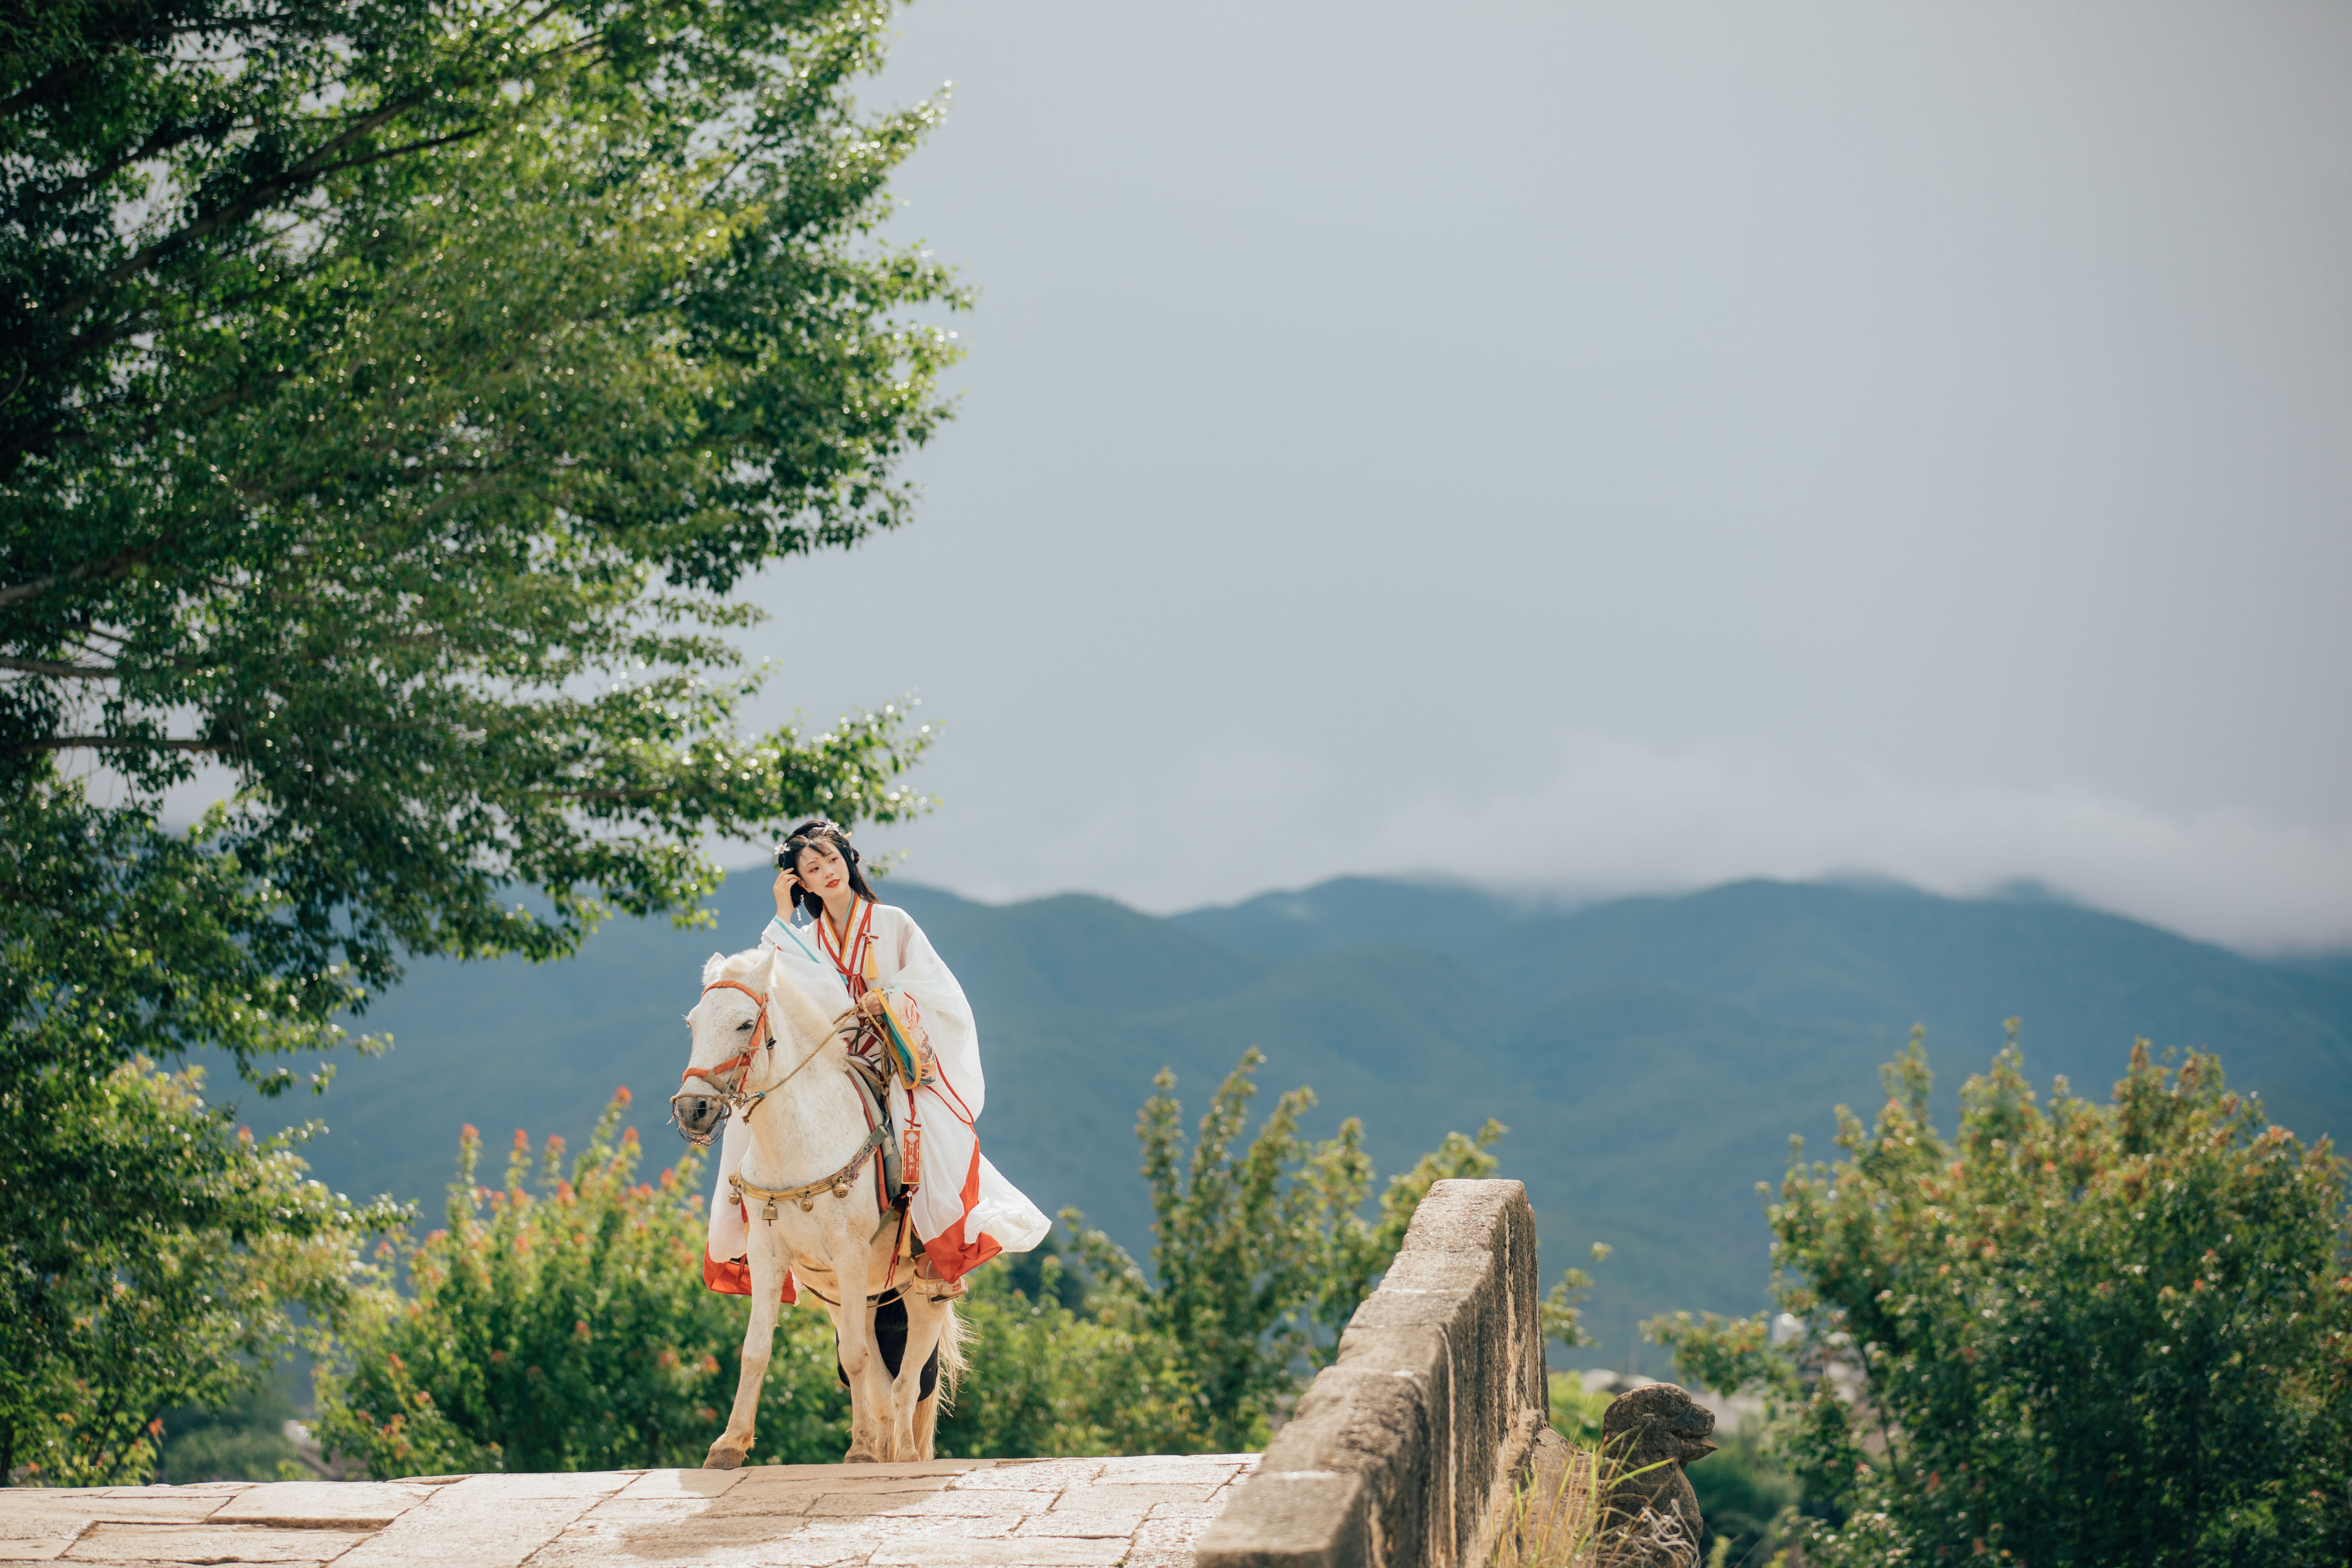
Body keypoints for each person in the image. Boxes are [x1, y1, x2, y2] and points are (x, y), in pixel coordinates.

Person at [703, 820, 1048, 1300]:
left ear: (848, 858)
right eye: (811, 869)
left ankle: (932, 1249)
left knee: (923, 1121)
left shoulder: (894, 924)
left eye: (830, 859)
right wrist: (783, 913)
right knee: (753, 1115)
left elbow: (937, 988)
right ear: (801, 883)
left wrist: (884, 997)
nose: (826, 872)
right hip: (831, 1058)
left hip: (889, 1055)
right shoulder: (807, 938)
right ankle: (750, 1239)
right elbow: (770, 978)